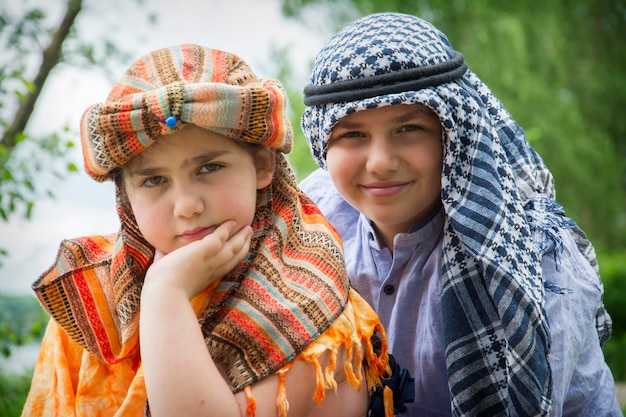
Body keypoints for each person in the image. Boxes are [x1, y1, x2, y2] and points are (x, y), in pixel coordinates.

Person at [21, 44, 400, 417]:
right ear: (126, 196)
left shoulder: (311, 306)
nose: (186, 205)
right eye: (154, 180)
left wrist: (165, 296)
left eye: (209, 168)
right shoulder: (95, 303)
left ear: (264, 166)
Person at [299, 12, 622, 417]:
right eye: (352, 134)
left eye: (408, 129)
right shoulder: (310, 220)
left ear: (454, 133)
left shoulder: (532, 257)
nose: (379, 162)